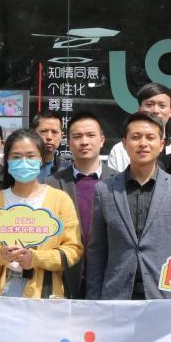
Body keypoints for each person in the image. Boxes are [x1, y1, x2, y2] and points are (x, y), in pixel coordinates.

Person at [85, 113, 171, 301]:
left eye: (150, 137)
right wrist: (93, 301)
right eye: (136, 137)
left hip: (165, 297)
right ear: (125, 143)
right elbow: (97, 252)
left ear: (161, 145)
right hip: (117, 297)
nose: (143, 143)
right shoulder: (104, 190)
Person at [0, 129, 84, 298]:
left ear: (41, 159)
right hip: (1, 294)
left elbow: (73, 251)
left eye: (31, 156)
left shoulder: (60, 200)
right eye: (16, 157)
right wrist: (0, 255)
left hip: (44, 294)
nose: (24, 162)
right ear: (7, 161)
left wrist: (36, 258)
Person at [45, 111, 105, 298]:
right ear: (69, 143)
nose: (84, 142)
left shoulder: (120, 182)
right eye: (77, 136)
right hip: (65, 277)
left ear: (102, 140)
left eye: (91, 135)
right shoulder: (51, 184)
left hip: (106, 278)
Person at [105, 83, 171, 172]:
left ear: (170, 111)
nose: (155, 110)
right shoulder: (119, 150)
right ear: (139, 109)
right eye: (149, 104)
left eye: (162, 106)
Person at [32, 113, 67, 181]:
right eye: (43, 131)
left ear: (61, 136)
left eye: (54, 132)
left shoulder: (68, 170)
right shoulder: (20, 168)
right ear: (33, 134)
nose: (49, 137)